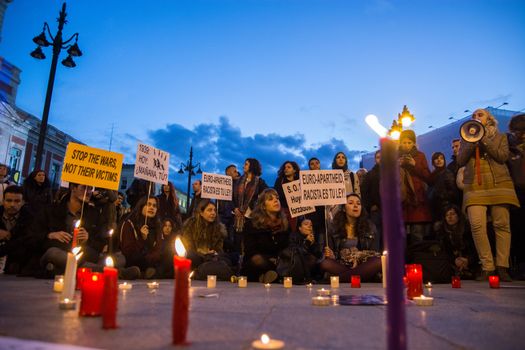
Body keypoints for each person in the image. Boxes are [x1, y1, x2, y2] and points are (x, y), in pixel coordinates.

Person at [457, 108, 520, 281]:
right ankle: (487, 266)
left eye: (480, 115)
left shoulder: (501, 137)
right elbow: (460, 160)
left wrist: (483, 139)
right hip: (475, 186)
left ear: (489, 119)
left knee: (501, 224)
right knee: (477, 225)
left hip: (499, 183)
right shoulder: (465, 138)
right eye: (473, 116)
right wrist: (471, 142)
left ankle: (502, 266)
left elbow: (502, 156)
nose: (475, 117)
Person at [34, 183, 107, 275]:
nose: (88, 192)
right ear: (73, 188)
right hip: (56, 252)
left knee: (115, 258)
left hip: (83, 255)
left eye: (90, 188)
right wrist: (50, 235)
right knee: (53, 253)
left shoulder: (94, 214)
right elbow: (34, 236)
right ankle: (107, 271)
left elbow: (100, 243)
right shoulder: (51, 210)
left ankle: (62, 269)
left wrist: (88, 238)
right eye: (84, 187)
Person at [320, 193, 381, 282]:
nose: (355, 205)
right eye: (351, 203)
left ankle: (338, 279)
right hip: (342, 264)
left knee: (378, 262)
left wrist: (358, 260)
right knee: (325, 263)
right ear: (344, 208)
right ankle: (358, 277)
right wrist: (332, 256)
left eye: (358, 203)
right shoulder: (334, 228)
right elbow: (332, 256)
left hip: (362, 265)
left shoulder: (370, 227)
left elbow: (373, 253)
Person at [242, 188, 289, 283]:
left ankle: (269, 276)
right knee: (257, 260)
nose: (276, 200)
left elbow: (288, 246)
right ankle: (269, 275)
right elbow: (250, 250)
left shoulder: (285, 223)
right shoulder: (252, 224)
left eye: (277, 198)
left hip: (280, 261)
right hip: (259, 262)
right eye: (270, 199)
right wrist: (270, 259)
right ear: (263, 206)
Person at [181, 199, 233, 280]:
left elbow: (219, 249)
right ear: (201, 213)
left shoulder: (218, 229)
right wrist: (202, 253)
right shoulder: (190, 226)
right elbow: (188, 246)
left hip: (211, 258)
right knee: (191, 256)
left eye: (214, 210)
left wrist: (214, 253)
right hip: (197, 257)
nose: (213, 213)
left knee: (226, 260)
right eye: (209, 210)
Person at [398, 129, 432, 244]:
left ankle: (417, 261)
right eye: (404, 142)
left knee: (417, 235)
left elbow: (428, 176)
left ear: (413, 143)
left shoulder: (420, 156)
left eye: (409, 142)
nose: (406, 145)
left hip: (417, 201)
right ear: (400, 143)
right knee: (400, 238)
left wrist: (415, 165)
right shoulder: (395, 158)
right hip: (401, 201)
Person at [120, 196, 162, 279]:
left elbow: (158, 248)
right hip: (133, 259)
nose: (151, 208)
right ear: (141, 206)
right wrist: (142, 239)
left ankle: (148, 272)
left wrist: (152, 257)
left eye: (154, 206)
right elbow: (128, 251)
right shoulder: (129, 223)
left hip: (150, 260)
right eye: (148, 204)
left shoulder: (157, 226)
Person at [433, 204, 478, 279]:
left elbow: (475, 249)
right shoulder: (442, 232)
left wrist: (468, 260)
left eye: (453, 214)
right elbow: (443, 252)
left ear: (458, 216)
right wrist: (454, 260)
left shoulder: (468, 230)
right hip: (451, 263)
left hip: (469, 261)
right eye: (447, 215)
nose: (449, 217)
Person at [0, 186, 35, 275]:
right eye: (8, 200)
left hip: (17, 261)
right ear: (3, 201)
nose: (12, 204)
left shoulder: (30, 218)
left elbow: (26, 241)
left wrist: (10, 236)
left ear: (23, 202)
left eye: (17, 201)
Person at [508, 113, 525, 279]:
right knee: (518, 228)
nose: (519, 135)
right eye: (517, 132)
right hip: (517, 191)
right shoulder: (511, 149)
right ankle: (519, 264)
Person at [233, 158, 268, 233]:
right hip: (238, 216)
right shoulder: (238, 181)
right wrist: (235, 208)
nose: (243, 166)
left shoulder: (259, 182)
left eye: (246, 164)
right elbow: (233, 197)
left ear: (252, 166)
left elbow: (267, 194)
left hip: (251, 216)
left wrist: (258, 207)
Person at [360, 150, 382, 251]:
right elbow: (364, 192)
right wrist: (371, 205)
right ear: (375, 160)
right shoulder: (370, 174)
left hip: (390, 211)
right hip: (376, 211)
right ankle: (377, 261)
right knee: (376, 235)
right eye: (378, 157)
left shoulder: (393, 173)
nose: (381, 159)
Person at [428, 152, 460, 222]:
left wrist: (441, 195)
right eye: (436, 158)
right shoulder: (432, 175)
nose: (439, 160)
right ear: (433, 162)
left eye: (441, 158)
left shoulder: (447, 173)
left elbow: (453, 191)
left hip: (446, 207)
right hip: (436, 208)